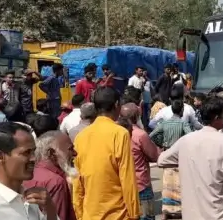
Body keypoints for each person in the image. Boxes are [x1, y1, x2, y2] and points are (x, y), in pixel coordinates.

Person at [157, 95, 223, 219]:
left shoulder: (186, 141)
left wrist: (185, 163)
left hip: (191, 215)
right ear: (217, 117)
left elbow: (162, 160)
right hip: (219, 214)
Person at [73, 87, 140, 220]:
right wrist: (134, 213)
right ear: (116, 105)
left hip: (89, 214)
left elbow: (77, 181)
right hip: (117, 214)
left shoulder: (81, 137)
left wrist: (79, 213)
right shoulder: (120, 133)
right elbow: (127, 178)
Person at [0, 122, 58, 219]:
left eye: (33, 152)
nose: (33, 158)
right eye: (26, 153)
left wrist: (50, 208)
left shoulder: (32, 199)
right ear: (0, 157)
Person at [149, 99, 192, 218]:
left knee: (167, 184)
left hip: (167, 154)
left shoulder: (164, 123)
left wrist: (161, 142)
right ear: (182, 110)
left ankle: (167, 211)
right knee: (180, 184)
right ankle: (180, 210)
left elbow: (151, 135)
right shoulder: (184, 124)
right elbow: (190, 136)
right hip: (180, 157)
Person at [23, 131, 77, 220]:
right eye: (70, 149)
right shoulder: (56, 181)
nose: (75, 153)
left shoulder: (26, 175)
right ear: (52, 153)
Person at [121, 103, 160, 220]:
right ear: (137, 116)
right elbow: (154, 156)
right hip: (141, 184)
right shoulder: (140, 135)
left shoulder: (114, 133)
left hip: (123, 185)